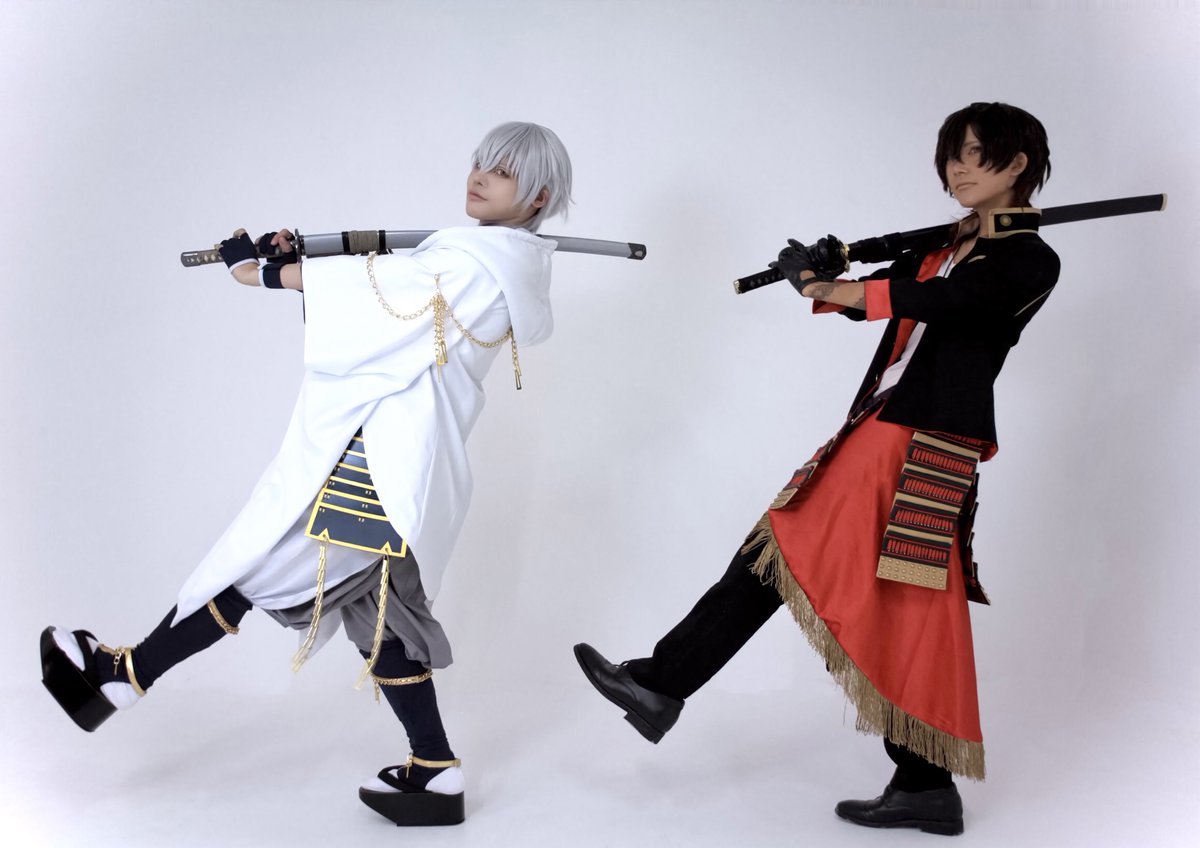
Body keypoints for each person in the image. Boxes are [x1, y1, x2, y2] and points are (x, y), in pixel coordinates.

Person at [39, 121, 573, 827]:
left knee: (256, 564)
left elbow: (379, 296)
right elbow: (385, 303)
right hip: (406, 464)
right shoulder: (491, 260)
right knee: (385, 621)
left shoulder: (475, 264)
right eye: (481, 162)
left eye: (502, 172)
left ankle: (123, 676)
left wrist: (260, 270)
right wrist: (304, 262)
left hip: (383, 471)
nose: (480, 176)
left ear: (537, 196)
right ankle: (435, 771)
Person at [574, 102, 1058, 836]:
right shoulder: (950, 245)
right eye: (950, 155)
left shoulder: (1027, 260)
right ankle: (922, 782)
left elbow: (943, 302)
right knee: (865, 584)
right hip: (887, 428)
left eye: (973, 153)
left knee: (797, 548)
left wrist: (824, 286)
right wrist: (826, 268)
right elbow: (883, 295)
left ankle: (662, 683)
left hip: (921, 442)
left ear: (1017, 163)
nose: (956, 169)